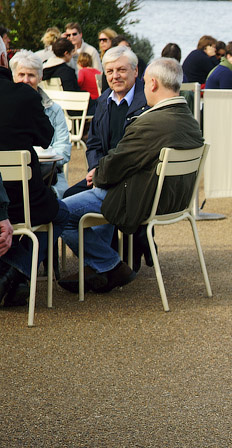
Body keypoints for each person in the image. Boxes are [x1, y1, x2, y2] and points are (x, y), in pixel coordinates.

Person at [58, 58, 204, 295]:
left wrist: (99, 172)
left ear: (153, 84)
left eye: (145, 83)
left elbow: (113, 167)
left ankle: (110, 265)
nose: (144, 88)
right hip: (174, 201)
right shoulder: (189, 120)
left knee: (59, 212)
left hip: (139, 199)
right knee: (96, 196)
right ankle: (100, 269)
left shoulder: (150, 123)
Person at [0, 66, 69, 306]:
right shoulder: (23, 95)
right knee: (61, 213)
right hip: (23, 202)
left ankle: (11, 276)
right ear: (3, 58)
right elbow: (46, 137)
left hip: (9, 207)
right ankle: (14, 272)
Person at [64, 46, 148, 198]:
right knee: (67, 198)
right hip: (103, 175)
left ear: (135, 72)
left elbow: (139, 152)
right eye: (110, 71)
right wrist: (96, 168)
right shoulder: (103, 101)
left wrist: (104, 173)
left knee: (71, 208)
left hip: (132, 180)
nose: (115, 76)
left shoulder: (147, 102)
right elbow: (94, 144)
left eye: (121, 70)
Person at [11, 51, 72, 199]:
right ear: (13, 77)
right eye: (21, 75)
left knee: (59, 201)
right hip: (13, 175)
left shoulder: (54, 110)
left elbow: (63, 149)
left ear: (40, 77)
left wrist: (40, 162)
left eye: (31, 75)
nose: (26, 80)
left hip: (49, 176)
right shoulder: (7, 108)